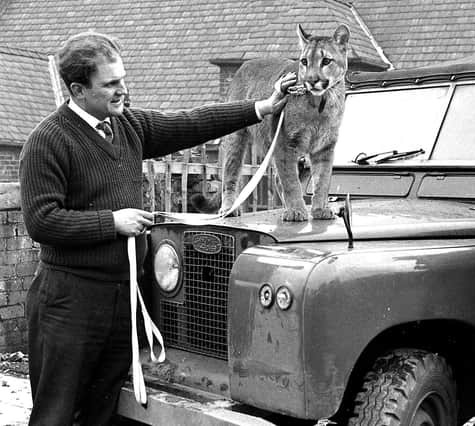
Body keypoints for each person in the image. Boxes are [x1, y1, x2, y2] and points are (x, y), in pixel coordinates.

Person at [19, 31, 297, 426]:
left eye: (123, 79)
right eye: (111, 84)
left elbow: (190, 123)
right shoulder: (47, 140)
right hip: (69, 304)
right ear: (78, 90)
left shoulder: (126, 125)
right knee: (57, 415)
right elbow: (41, 221)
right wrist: (112, 222)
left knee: (102, 413)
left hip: (120, 301)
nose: (123, 91)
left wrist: (261, 107)